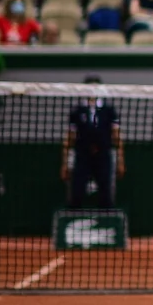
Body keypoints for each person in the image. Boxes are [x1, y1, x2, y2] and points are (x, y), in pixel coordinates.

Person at [62, 76, 122, 210]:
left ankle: (106, 222)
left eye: (96, 88)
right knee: (77, 189)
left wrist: (120, 160)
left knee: (105, 190)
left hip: (104, 156)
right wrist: (65, 162)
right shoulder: (77, 111)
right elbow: (70, 138)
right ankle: (74, 219)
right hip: (82, 156)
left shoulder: (109, 110)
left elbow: (116, 135)